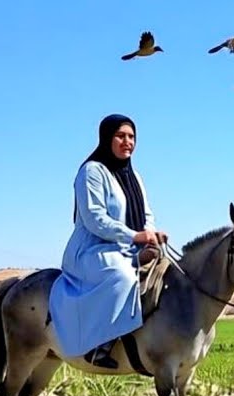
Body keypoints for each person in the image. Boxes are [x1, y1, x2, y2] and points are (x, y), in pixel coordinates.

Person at [50, 114, 167, 369]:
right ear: (107, 138)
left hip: (126, 248)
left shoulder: (135, 176)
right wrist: (134, 236)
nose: (128, 142)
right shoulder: (91, 172)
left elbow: (146, 214)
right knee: (122, 276)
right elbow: (95, 219)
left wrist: (151, 237)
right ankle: (99, 344)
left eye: (132, 137)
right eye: (121, 136)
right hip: (92, 250)